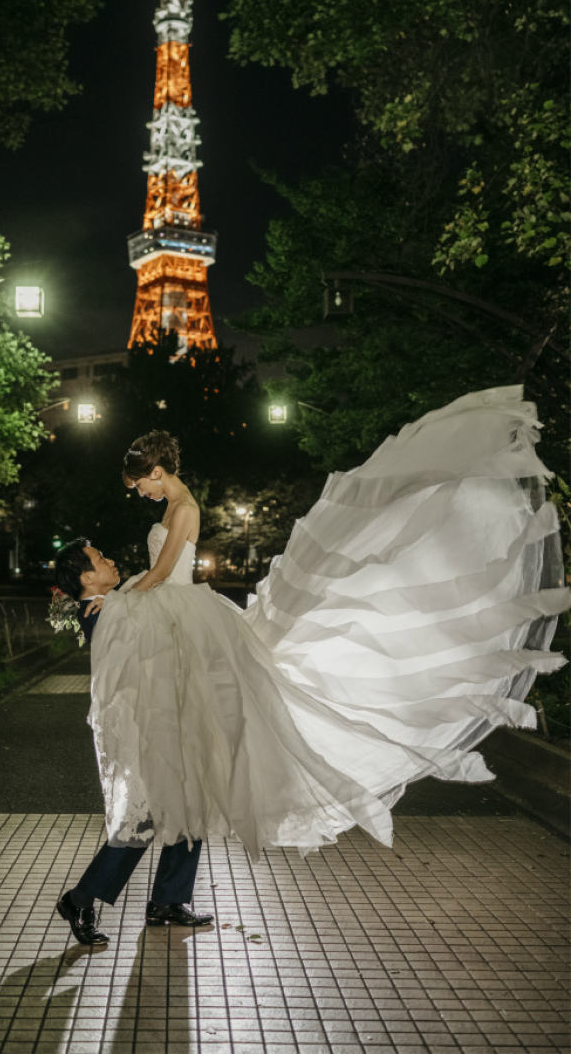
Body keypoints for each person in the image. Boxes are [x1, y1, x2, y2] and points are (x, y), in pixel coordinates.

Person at [84, 386, 569, 869]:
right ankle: (172, 873)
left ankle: (167, 861)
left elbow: (165, 572)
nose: (140, 493)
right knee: (193, 730)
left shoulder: (184, 507)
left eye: (139, 485)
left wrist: (119, 597)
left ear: (156, 471)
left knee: (206, 726)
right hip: (175, 615)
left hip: (181, 611)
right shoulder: (174, 506)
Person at [51, 539, 213, 948]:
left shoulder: (115, 602)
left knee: (187, 805)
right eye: (100, 559)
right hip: (142, 730)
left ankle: (168, 901)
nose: (110, 560)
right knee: (141, 824)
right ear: (87, 578)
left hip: (161, 720)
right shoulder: (99, 612)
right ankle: (79, 899)